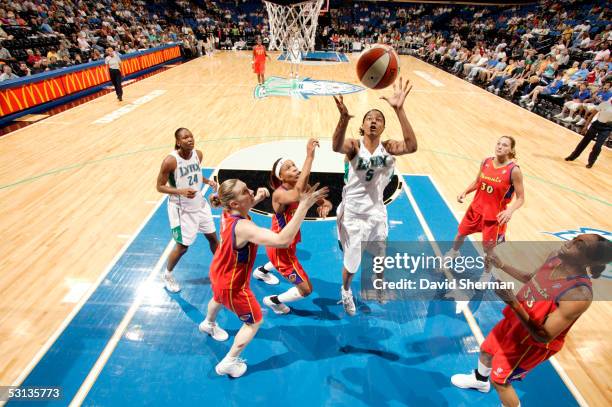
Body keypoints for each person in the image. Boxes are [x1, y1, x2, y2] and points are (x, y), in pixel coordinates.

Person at [451, 234, 612, 407]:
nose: (569, 243)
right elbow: (530, 278)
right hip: (516, 319)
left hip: (531, 341)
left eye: (579, 246)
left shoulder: (579, 294)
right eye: (574, 239)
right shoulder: (554, 257)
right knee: (486, 350)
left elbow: (543, 336)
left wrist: (513, 303)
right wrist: (501, 265)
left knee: (500, 381)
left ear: (588, 261)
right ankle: (480, 381)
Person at [200, 179, 328, 377]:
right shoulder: (243, 227)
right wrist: (304, 205)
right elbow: (282, 240)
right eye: (245, 191)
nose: (250, 191)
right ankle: (229, 362)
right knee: (254, 322)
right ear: (234, 203)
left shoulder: (227, 212)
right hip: (234, 285)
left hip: (218, 271)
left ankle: (208, 323)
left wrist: (257, 197)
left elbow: (243, 206)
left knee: (217, 297)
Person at [332, 77, 418, 316]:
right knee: (353, 264)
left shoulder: (388, 147)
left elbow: (411, 146)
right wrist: (342, 120)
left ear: (382, 127)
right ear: (362, 124)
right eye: (369, 118)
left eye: (378, 119)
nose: (373, 121)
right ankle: (346, 291)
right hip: (353, 214)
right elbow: (336, 146)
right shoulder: (353, 146)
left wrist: (399, 110)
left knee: (380, 255)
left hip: (377, 212)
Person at [254, 139, 333, 314]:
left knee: (287, 258)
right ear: (281, 177)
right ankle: (273, 301)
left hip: (286, 242)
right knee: (306, 290)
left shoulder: (303, 187)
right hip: (279, 246)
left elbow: (324, 200)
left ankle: (261, 271)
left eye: (295, 165)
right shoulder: (279, 194)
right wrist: (310, 156)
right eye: (289, 168)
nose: (295, 169)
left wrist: (325, 205)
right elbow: (297, 194)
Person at [156, 128, 219, 292]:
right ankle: (167, 274)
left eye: (191, 136)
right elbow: (159, 187)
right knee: (183, 247)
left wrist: (207, 181)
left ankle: (222, 269)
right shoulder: (170, 161)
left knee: (213, 238)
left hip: (200, 204)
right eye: (185, 137)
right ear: (178, 142)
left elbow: (195, 174)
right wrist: (181, 191)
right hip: (181, 209)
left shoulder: (198, 154)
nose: (190, 139)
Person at [445, 136, 525, 259]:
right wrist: (465, 191)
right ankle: (453, 252)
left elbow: (521, 198)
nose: (499, 146)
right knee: (460, 234)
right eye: (498, 143)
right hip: (475, 209)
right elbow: (478, 182)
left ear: (511, 150)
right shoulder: (486, 162)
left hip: (494, 216)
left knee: (488, 249)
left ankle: (486, 274)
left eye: (504, 145)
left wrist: (510, 211)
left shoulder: (514, 171)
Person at [565, 97, 611, 168]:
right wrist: (585, 126)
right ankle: (572, 156)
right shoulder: (604, 104)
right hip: (597, 124)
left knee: (598, 146)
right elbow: (592, 115)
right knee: (584, 142)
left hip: (606, 128)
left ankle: (591, 162)